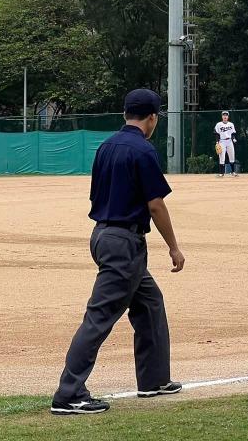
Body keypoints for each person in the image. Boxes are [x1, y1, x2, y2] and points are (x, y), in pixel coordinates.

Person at [51, 89, 185, 415]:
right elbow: (155, 205)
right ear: (152, 118)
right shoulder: (143, 150)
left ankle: (153, 380)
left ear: (126, 113)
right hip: (124, 243)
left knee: (150, 303)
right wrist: (173, 246)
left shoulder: (106, 146)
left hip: (103, 235)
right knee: (99, 317)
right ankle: (69, 394)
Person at [214, 111, 237, 177]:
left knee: (232, 156)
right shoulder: (218, 124)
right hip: (222, 141)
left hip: (229, 141)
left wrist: (233, 138)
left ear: (228, 117)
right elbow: (216, 134)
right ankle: (221, 173)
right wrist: (217, 142)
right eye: (224, 115)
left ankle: (233, 172)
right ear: (222, 116)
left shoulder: (231, 124)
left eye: (226, 115)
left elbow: (232, 133)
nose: (225, 116)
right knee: (222, 157)